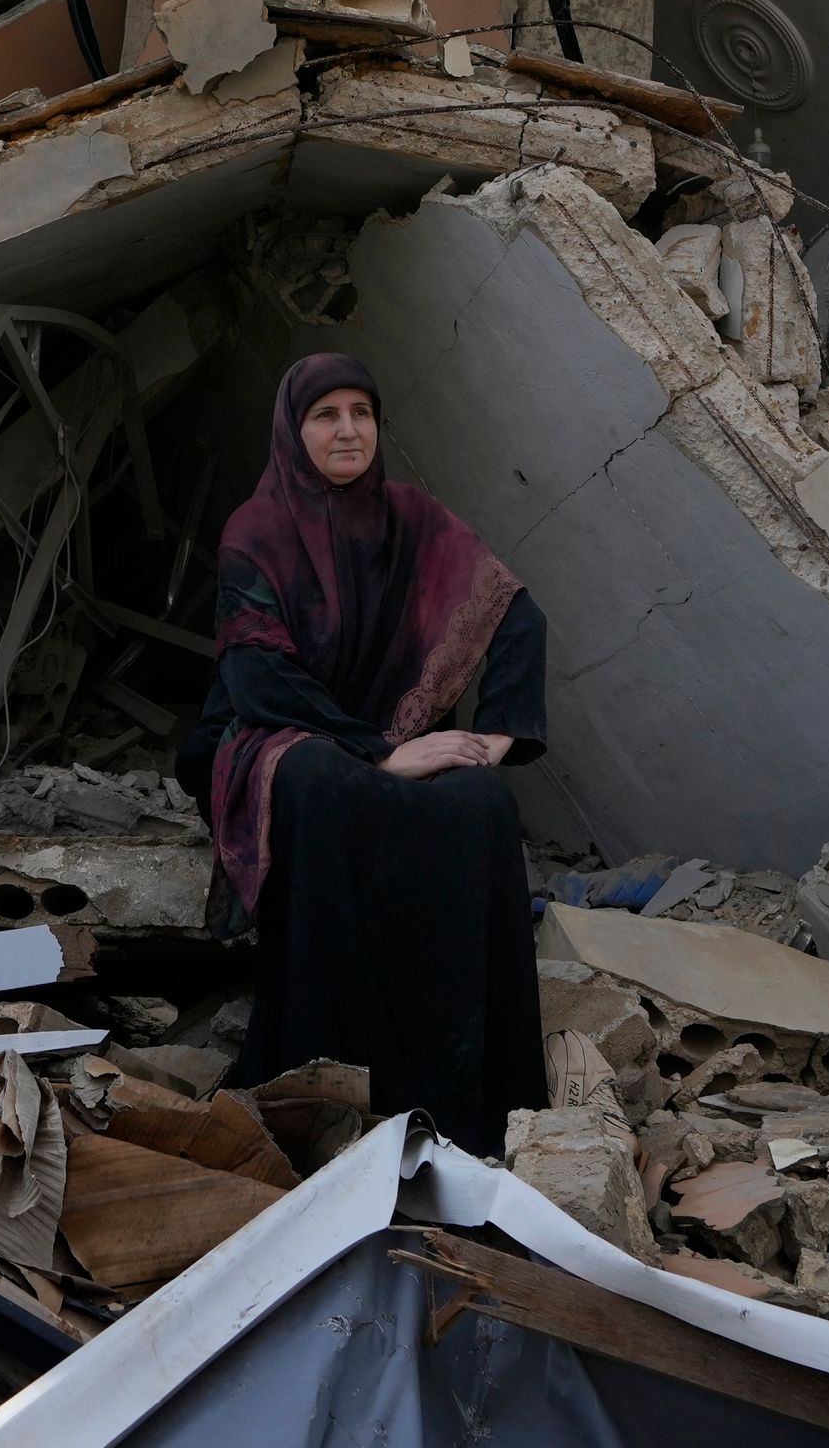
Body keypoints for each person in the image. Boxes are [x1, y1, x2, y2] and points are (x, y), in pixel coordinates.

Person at [175, 352, 550, 1153]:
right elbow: (257, 671)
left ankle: (470, 1099)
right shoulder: (258, 529)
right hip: (274, 727)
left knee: (481, 800)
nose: (348, 430)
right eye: (326, 415)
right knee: (321, 784)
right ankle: (324, 1085)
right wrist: (378, 755)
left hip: (392, 735)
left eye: (362, 413)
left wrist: (493, 737)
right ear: (293, 428)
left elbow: (514, 613)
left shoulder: (412, 516)